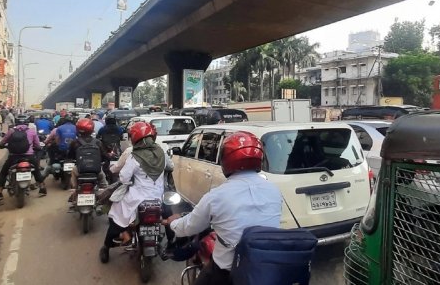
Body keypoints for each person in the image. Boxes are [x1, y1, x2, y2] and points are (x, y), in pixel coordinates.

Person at [163, 131, 282, 284]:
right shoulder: (274, 191)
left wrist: (173, 223)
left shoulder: (217, 196)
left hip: (228, 272)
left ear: (226, 160)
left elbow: (188, 227)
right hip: (265, 268)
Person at [99, 121, 166, 263]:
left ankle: (107, 245)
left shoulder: (134, 156)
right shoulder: (162, 153)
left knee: (116, 213)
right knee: (169, 214)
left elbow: (123, 178)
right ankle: (168, 242)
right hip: (158, 197)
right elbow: (170, 166)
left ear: (134, 138)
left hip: (138, 199)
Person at [0, 115, 47, 204]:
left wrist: (1, 145)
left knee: (3, 173)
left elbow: (3, 142)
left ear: (16, 122)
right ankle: (42, 188)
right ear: (27, 123)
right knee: (36, 171)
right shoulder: (32, 131)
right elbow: (37, 145)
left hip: (14, 157)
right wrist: (37, 148)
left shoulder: (11, 131)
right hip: (29, 157)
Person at [67, 118, 108, 205]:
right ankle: (105, 200)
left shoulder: (75, 143)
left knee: (73, 175)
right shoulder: (97, 142)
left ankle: (74, 193)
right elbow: (104, 156)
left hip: (79, 170)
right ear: (92, 129)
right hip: (96, 171)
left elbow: (69, 156)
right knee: (104, 184)